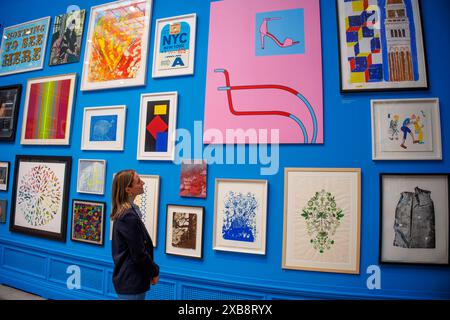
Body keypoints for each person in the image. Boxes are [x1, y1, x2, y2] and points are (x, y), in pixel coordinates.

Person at [111, 170, 159, 300]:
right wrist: (154, 271)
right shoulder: (128, 216)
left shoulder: (127, 212)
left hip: (129, 280)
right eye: (138, 181)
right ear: (128, 190)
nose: (142, 183)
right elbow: (138, 253)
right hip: (131, 281)